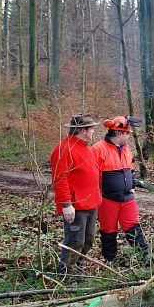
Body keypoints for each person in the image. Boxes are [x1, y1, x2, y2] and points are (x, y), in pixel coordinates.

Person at [91, 116, 150, 263]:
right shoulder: (98, 149)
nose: (129, 136)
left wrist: (132, 185)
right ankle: (110, 261)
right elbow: (91, 176)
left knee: (134, 227)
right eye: (127, 133)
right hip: (107, 199)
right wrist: (95, 195)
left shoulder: (126, 149)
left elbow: (129, 169)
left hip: (127, 198)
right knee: (108, 231)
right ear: (118, 133)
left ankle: (146, 258)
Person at [50, 114, 102, 278]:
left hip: (91, 203)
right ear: (82, 130)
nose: (93, 131)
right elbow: (60, 179)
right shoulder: (64, 149)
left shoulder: (85, 147)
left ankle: (78, 270)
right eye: (91, 129)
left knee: (88, 240)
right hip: (76, 206)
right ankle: (66, 276)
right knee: (75, 241)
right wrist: (66, 204)